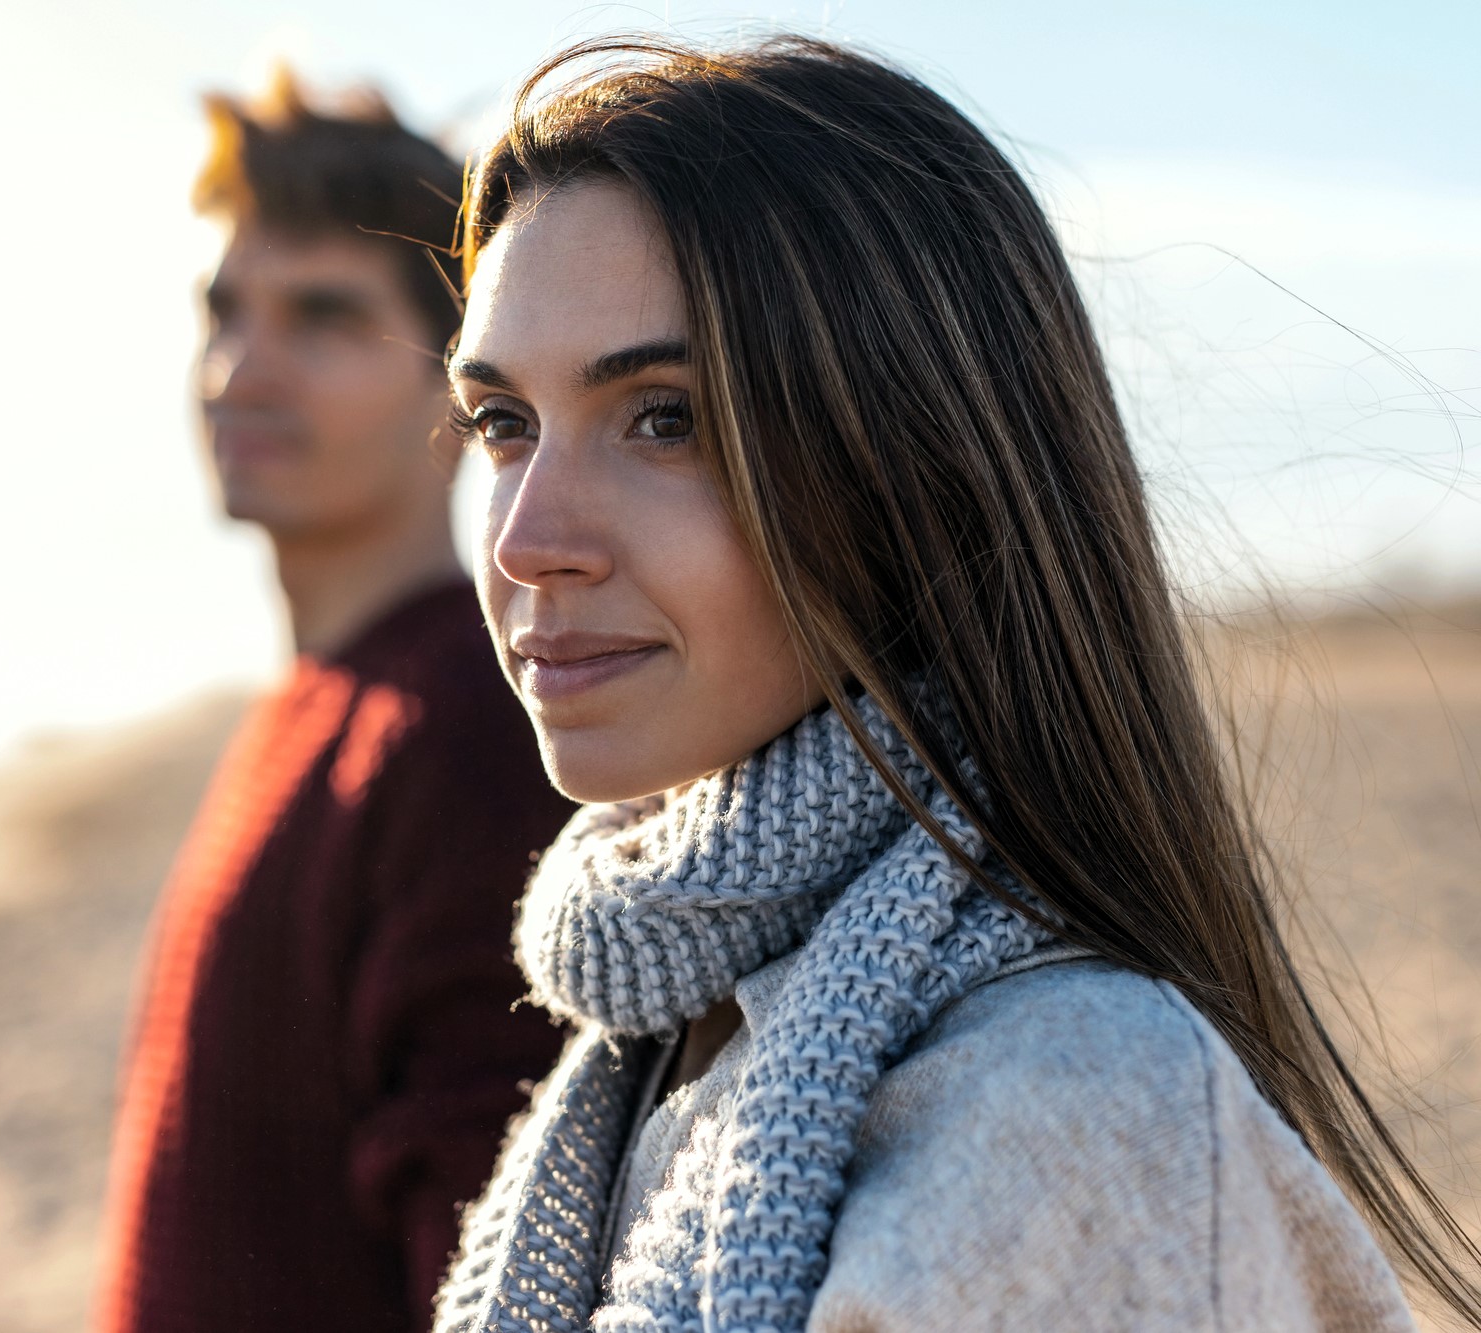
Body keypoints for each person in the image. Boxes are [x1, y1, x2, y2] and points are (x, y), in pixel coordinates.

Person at [432, 36, 1481, 1332]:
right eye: (502, 424)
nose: (531, 537)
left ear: (913, 466)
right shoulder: (657, 1035)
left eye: (668, 418)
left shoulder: (1076, 1111)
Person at [95, 72, 574, 1333]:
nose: (242, 368)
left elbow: (485, 1276)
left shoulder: (465, 740)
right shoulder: (313, 711)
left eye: (320, 316)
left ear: (457, 383)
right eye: (223, 310)